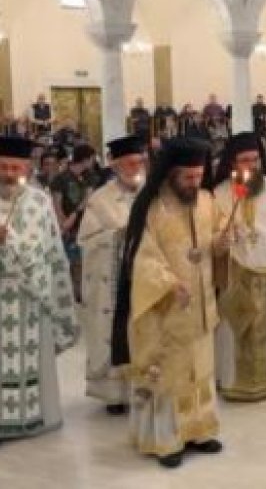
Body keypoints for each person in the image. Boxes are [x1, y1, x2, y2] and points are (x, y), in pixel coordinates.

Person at [112, 138, 228, 468]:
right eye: (187, 177)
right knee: (169, 374)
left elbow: (214, 244)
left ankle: (200, 430)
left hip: (202, 306)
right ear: (171, 174)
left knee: (201, 368)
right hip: (166, 309)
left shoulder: (207, 201)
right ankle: (167, 439)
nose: (195, 183)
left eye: (198, 175)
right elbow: (142, 258)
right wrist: (169, 283)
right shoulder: (153, 208)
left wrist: (224, 240)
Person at [0, 137, 78, 442]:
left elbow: (50, 252)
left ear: (28, 167)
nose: (8, 173)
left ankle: (38, 415)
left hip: (32, 297)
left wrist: (11, 241)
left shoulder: (39, 201)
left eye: (15, 167)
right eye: (3, 167)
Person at [212, 132, 266, 401]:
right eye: (244, 160)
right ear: (232, 163)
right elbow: (216, 231)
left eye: (256, 159)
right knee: (235, 329)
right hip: (235, 273)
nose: (251, 166)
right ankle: (234, 381)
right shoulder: (222, 192)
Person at [78, 136, 147, 415]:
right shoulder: (100, 199)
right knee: (116, 332)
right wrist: (115, 237)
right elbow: (86, 241)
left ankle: (140, 387)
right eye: (129, 164)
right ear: (116, 165)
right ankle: (115, 394)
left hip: (143, 275)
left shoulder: (149, 195)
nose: (135, 168)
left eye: (139, 163)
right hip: (113, 279)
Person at [51, 143, 96, 303]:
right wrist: (63, 222)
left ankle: (80, 293)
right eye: (92, 159)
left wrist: (74, 215)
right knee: (67, 261)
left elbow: (89, 199)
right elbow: (56, 203)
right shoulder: (60, 178)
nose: (93, 162)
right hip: (66, 227)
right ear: (85, 159)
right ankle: (66, 293)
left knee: (82, 263)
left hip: (84, 224)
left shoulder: (90, 176)